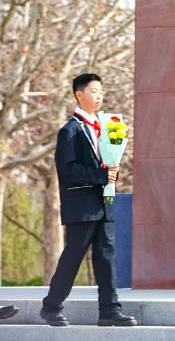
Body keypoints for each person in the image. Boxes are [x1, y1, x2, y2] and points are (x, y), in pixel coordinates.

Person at [40, 74, 136, 327]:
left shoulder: (105, 127)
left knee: (106, 258)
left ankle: (109, 311)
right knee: (73, 258)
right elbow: (67, 169)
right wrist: (101, 175)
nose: (99, 95)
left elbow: (105, 162)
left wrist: (111, 172)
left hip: (104, 203)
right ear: (79, 94)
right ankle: (51, 307)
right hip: (81, 206)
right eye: (94, 91)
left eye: (101, 91)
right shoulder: (69, 131)